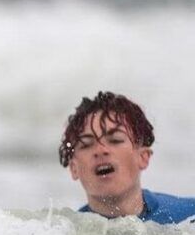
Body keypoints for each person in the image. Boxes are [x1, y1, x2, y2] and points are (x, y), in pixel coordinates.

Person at [58, 91, 195, 224]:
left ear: (143, 157)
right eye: (86, 144)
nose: (100, 150)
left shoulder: (189, 216)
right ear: (74, 168)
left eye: (115, 140)